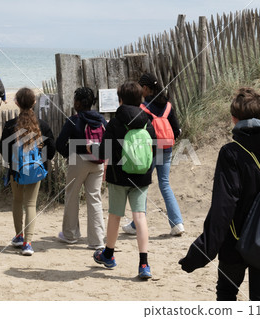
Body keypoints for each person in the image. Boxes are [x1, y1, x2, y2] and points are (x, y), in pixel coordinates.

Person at [178, 87, 260, 301]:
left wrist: (200, 253)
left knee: (227, 295)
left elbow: (223, 208)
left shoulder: (231, 153)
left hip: (233, 243)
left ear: (234, 120)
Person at [92, 81, 156, 279]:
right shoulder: (147, 121)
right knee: (140, 216)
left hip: (119, 176)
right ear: (140, 99)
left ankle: (108, 255)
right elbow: (153, 149)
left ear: (120, 99)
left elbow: (104, 151)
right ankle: (144, 264)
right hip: (142, 176)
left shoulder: (115, 121)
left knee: (115, 215)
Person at [122, 73, 184, 236]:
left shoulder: (142, 107)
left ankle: (137, 225)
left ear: (145, 88)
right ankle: (177, 223)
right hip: (167, 148)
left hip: (148, 150)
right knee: (164, 184)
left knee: (142, 185)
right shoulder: (168, 105)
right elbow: (177, 130)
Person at [0, 87, 56, 256]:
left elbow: (3, 149)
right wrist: (40, 160)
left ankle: (18, 236)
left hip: (16, 170)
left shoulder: (10, 125)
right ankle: (28, 243)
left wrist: (14, 162)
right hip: (36, 170)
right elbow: (51, 149)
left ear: (16, 103)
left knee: (17, 201)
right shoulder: (42, 125)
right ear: (34, 102)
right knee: (31, 204)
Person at [55, 87, 107, 250]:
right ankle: (97, 240)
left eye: (75, 99)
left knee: (72, 196)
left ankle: (70, 235)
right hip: (98, 162)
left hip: (78, 160)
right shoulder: (102, 120)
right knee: (95, 199)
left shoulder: (74, 120)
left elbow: (59, 143)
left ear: (78, 103)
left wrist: (69, 155)